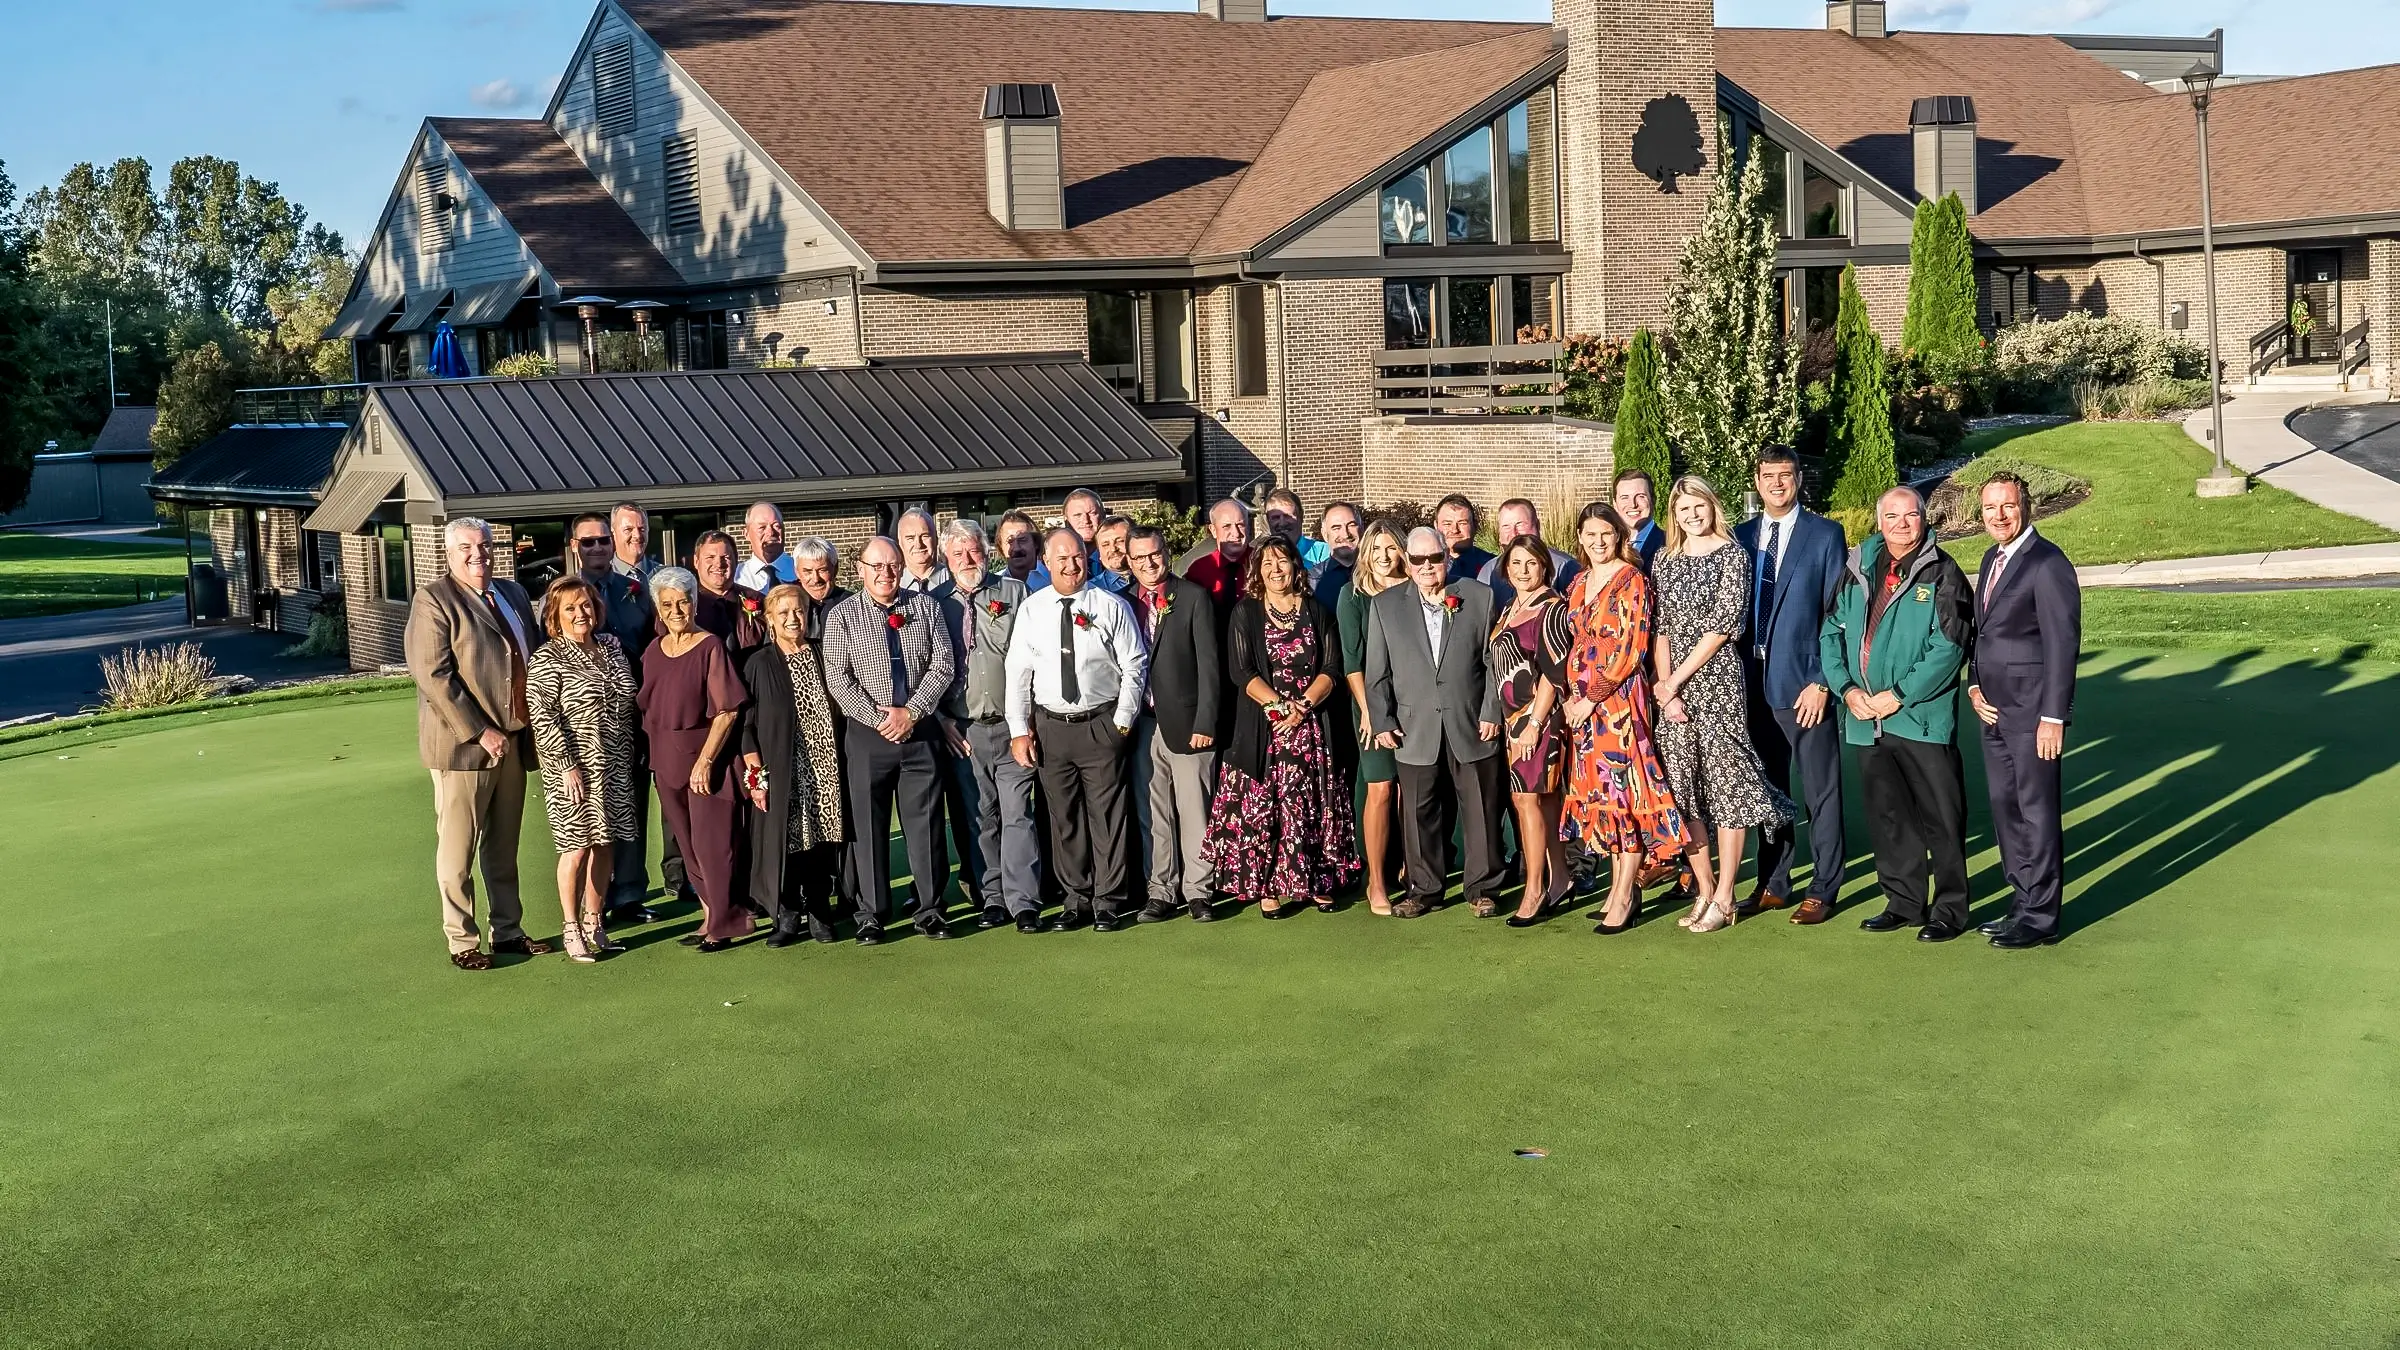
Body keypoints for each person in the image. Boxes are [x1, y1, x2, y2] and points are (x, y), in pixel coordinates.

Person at [1822, 485, 1976, 943]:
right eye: (1892, 517)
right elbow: (1831, 632)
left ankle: (1949, 908)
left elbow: (1949, 647)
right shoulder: (1856, 568)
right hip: (1864, 717)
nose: (1902, 524)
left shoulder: (1942, 572)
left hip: (1920, 719)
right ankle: (1904, 901)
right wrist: (1847, 690)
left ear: (1924, 519)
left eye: (1910, 516)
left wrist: (1899, 695)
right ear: (1879, 521)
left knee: (1941, 817)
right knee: (1890, 817)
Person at [405, 517, 551, 970]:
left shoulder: (511, 594)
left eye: (484, 546)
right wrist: (480, 730)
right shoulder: (434, 600)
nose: (477, 554)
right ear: (449, 554)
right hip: (465, 746)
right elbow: (434, 675)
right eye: (466, 547)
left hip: (513, 740)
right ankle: (462, 942)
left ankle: (507, 930)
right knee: (458, 849)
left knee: (504, 846)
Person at [1651, 476, 1792, 934]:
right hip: (1672, 689)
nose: (1692, 516)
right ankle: (1705, 890)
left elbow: (1722, 627)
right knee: (1683, 788)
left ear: (1713, 507)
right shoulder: (1663, 560)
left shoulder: (1733, 555)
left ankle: (1728, 895)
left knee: (1727, 786)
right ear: (1673, 515)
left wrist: (1674, 681)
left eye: (1699, 506)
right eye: (1684, 510)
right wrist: (1666, 688)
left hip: (1716, 682)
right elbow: (1662, 629)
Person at [1205, 536, 1358, 916]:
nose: (1276, 570)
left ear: (1295, 566)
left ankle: (1314, 882)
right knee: (1268, 808)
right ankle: (1268, 886)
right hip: (1264, 727)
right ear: (1257, 570)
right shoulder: (1245, 612)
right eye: (1267, 563)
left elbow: (1332, 667)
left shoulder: (1316, 610)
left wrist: (1302, 707)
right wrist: (1277, 706)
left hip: (1309, 725)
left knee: (1308, 804)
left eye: (1283, 562)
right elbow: (1241, 671)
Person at [1558, 503, 1693, 933]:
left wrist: (1590, 698)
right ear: (1579, 537)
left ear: (1619, 536)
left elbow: (1630, 650)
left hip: (1616, 703)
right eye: (1590, 534)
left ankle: (1624, 894)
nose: (1598, 542)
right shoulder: (1578, 582)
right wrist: (1570, 696)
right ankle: (1620, 887)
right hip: (1582, 705)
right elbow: (1573, 643)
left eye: (1606, 534)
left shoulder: (1633, 580)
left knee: (1625, 795)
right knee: (1601, 796)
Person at [1006, 527, 1148, 931]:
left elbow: (1134, 663)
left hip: (1101, 724)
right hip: (1052, 727)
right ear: (1046, 562)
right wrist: (1019, 729)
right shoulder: (1032, 610)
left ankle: (1107, 899)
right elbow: (1018, 672)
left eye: (1078, 558)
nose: (1072, 566)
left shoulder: (1109, 605)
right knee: (1064, 817)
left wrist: (1122, 720)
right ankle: (1076, 898)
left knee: (1107, 817)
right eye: (1062, 559)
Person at [1733, 447, 1851, 925]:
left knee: (1820, 790)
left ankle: (1825, 885)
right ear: (1756, 482)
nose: (1777, 484)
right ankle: (1774, 881)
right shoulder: (1740, 537)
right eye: (1768, 476)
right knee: (1767, 791)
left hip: (1804, 686)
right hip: (1749, 684)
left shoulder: (1825, 535)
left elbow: (1839, 614)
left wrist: (1823, 681)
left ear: (1799, 478)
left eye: (1785, 475)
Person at [1365, 525, 1505, 919]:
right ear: (1407, 564)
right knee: (1418, 812)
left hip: (1472, 723)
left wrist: (1491, 711)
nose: (1428, 566)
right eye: (1418, 560)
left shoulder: (1479, 597)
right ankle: (1424, 889)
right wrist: (1382, 720)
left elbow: (1494, 663)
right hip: (1413, 728)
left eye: (1435, 558)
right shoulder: (1386, 605)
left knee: (1479, 809)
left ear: (1447, 556)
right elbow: (1377, 672)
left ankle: (1484, 889)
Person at [821, 537, 957, 943]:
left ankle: (930, 908)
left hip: (919, 732)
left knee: (926, 824)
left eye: (893, 564)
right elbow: (839, 680)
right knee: (868, 825)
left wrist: (912, 711)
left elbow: (943, 664)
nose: (885, 573)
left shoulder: (926, 607)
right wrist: (881, 719)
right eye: (876, 566)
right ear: (860, 569)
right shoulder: (842, 615)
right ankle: (872, 913)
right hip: (869, 735)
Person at [1966, 472, 2080, 949]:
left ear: (2026, 507)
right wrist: (1973, 684)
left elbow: (2062, 644)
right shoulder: (1992, 557)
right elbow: (1984, 632)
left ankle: (2041, 916)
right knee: (2005, 809)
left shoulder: (2047, 563)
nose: (1999, 515)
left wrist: (2053, 716)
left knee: (2036, 811)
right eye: (1991, 508)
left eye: (2007, 506)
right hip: (1992, 711)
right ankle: (2021, 899)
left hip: (2034, 716)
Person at [932, 519, 1045, 933]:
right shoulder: (933, 601)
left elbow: (1035, 658)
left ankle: (1024, 900)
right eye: (957, 553)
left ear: (986, 551)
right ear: (947, 557)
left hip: (1013, 723)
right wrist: (942, 719)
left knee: (1018, 813)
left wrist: (1028, 722)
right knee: (981, 815)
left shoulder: (1015, 593)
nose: (966, 559)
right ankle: (992, 897)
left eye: (973, 550)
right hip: (963, 730)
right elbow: (923, 666)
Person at [635, 566, 753, 952]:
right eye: (667, 604)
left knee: (713, 844)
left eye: (683, 601)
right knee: (687, 844)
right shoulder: (653, 651)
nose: (675, 610)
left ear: (694, 603)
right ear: (657, 607)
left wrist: (705, 762)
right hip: (664, 761)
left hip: (705, 761)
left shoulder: (710, 646)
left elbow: (728, 711)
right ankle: (708, 918)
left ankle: (728, 922)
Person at [526, 576, 640, 962]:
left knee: (606, 844)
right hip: (572, 769)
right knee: (576, 848)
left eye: (586, 605)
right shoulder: (546, 658)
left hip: (615, 763)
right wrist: (566, 765)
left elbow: (630, 697)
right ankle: (571, 927)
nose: (580, 613)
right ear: (555, 616)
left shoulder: (610, 647)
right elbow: (542, 717)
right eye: (570, 608)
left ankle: (595, 923)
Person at [739, 584, 848, 947]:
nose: (792, 619)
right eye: (782, 612)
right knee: (784, 842)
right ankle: (786, 916)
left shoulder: (823, 654)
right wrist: (756, 778)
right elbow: (747, 726)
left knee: (819, 841)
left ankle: (819, 910)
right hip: (782, 768)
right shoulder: (759, 663)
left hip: (825, 767)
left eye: (798, 611)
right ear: (769, 619)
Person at [1126, 524, 1222, 923]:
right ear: (1129, 563)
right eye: (1140, 557)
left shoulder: (1193, 598)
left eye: (1155, 553)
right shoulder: (1123, 602)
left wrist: (1206, 721)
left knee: (1194, 810)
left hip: (1188, 722)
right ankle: (1161, 891)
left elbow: (1210, 667)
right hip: (1142, 723)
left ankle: (1199, 891)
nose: (1149, 562)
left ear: (1166, 553)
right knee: (1155, 812)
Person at [568, 511, 658, 922]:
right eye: (588, 542)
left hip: (633, 717)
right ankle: (592, 904)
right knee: (588, 817)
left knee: (630, 807)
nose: (598, 547)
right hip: (584, 725)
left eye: (603, 540)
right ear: (575, 547)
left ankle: (628, 894)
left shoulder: (635, 590)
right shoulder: (565, 596)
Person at [1489, 537, 1575, 925]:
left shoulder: (1552, 608)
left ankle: (1534, 889)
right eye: (1516, 563)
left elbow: (1553, 674)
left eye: (1531, 563)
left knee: (1527, 801)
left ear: (1545, 567)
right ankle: (1561, 879)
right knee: (1542, 800)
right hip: (1512, 721)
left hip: (1538, 720)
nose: (1523, 571)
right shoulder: (1510, 608)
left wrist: (1534, 724)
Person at [1340, 519, 1409, 915]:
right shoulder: (1354, 597)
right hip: (1371, 707)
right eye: (1376, 549)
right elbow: (1352, 663)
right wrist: (1371, 712)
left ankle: (1409, 869)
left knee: (1409, 790)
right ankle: (1376, 882)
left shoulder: (1416, 590)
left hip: (1413, 704)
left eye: (1391, 548)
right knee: (1381, 788)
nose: (1384, 557)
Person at [1476, 498, 1582, 611]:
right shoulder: (1489, 570)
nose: (1514, 533)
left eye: (1520, 524)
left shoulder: (1565, 567)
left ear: (1537, 525)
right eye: (1506, 526)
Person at [688, 529, 766, 660]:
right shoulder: (686, 605)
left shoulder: (758, 600)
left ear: (736, 560)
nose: (719, 564)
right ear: (696, 562)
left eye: (726, 557)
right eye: (710, 558)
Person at [1029, 488, 1122, 593]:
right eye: (1078, 515)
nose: (1086, 520)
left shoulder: (1120, 557)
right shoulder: (1044, 569)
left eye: (1092, 513)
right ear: (1066, 520)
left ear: (1103, 515)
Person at [1183, 498, 1254, 615]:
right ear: (1213, 530)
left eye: (1240, 525)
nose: (1236, 533)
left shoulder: (1262, 562)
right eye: (1227, 526)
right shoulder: (1199, 570)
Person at [1262, 486, 1332, 572]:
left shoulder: (1324, 553)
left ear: (1301, 516)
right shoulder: (1262, 557)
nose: (1282, 523)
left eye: (1288, 516)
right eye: (1275, 517)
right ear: (1268, 521)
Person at [734, 501, 797, 591]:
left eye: (776, 526)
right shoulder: (736, 577)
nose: (770, 532)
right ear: (746, 534)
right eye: (762, 527)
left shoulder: (802, 570)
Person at [1313, 501, 1363, 611]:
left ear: (1362, 529)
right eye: (1336, 528)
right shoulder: (1313, 580)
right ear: (1325, 534)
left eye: (1351, 525)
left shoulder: (1376, 573)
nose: (1345, 534)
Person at [1613, 472, 1666, 573]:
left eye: (1640, 496)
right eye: (1624, 497)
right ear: (1615, 504)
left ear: (1653, 500)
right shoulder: (1609, 546)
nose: (1633, 504)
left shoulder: (1669, 543)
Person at [1435, 493, 1493, 583]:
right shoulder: (1426, 566)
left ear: (1475, 526)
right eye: (1447, 524)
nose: (1455, 530)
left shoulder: (1492, 566)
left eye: (1462, 523)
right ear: (1436, 526)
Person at [895, 508, 950, 595]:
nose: (918, 545)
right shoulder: (893, 585)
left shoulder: (955, 581)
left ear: (936, 539)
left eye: (925, 536)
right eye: (910, 538)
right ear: (900, 542)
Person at [610, 501, 657, 583]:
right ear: (613, 531)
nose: (637, 535)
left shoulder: (666, 576)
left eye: (642, 529)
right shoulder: (598, 579)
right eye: (628, 529)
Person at [995, 510, 1043, 586]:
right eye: (1010, 541)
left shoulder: (1054, 579)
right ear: (1001, 547)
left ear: (1035, 543)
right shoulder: (994, 585)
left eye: (1022, 539)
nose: (1017, 548)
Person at [1093, 513, 1135, 593]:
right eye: (1105, 544)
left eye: (1120, 541)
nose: (1113, 549)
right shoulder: (1092, 590)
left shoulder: (1154, 579)